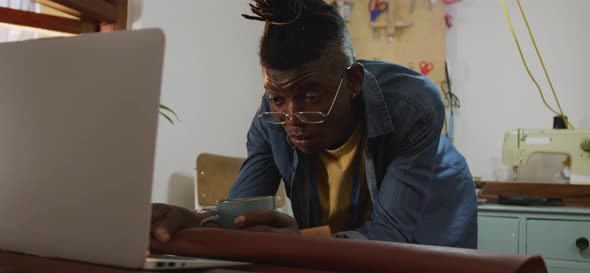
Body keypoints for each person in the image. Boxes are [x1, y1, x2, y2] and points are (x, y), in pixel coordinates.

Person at [151, 0, 477, 248]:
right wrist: (194, 219)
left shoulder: (413, 105)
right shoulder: (270, 119)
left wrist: (304, 241)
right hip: (350, 230)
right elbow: (240, 214)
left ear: (353, 81)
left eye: (309, 95)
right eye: (277, 97)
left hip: (432, 204)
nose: (291, 119)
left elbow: (392, 232)